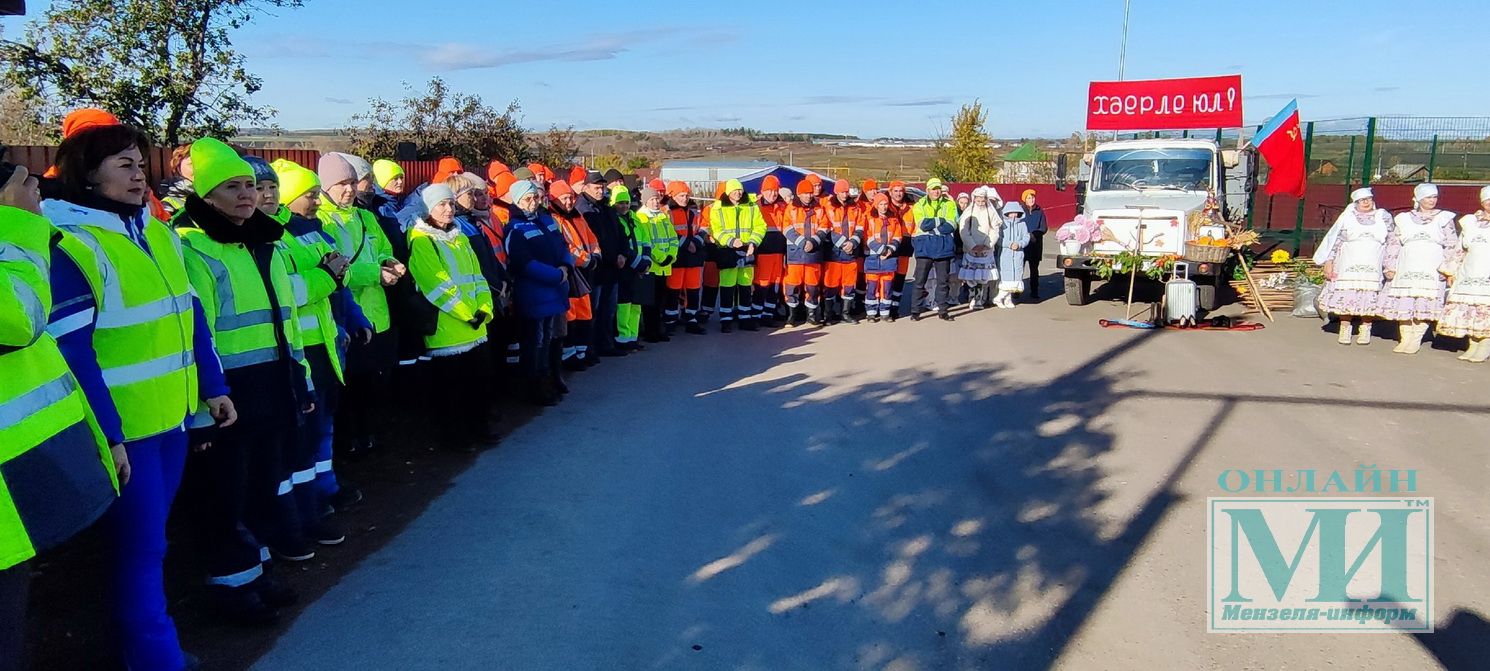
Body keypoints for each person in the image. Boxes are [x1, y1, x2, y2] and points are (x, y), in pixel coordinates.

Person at [46, 124, 234, 670]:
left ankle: (142, 647)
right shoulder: (70, 242)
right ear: (87, 173)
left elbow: (190, 310)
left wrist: (213, 386)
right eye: (123, 165)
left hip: (171, 419)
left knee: (151, 544)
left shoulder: (155, 231)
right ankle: (156, 659)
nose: (138, 174)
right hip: (126, 431)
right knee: (140, 550)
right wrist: (108, 435)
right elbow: (75, 354)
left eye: (139, 162)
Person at [173, 138, 315, 624]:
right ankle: (230, 589)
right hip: (228, 397)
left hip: (274, 387)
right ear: (207, 196)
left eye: (250, 185)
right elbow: (195, 335)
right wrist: (201, 410)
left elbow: (289, 322)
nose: (246, 195)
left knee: (260, 488)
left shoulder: (267, 243)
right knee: (222, 498)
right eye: (231, 187)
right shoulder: (193, 248)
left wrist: (303, 381)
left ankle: (256, 573)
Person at [0, 167, 121, 671]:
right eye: (25, 183)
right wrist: (16, 224)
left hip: (28, 477)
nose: (37, 192)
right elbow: (20, 319)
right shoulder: (21, 235)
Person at [267, 158, 370, 535]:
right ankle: (303, 511)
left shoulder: (315, 232)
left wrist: (353, 318)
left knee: (323, 429)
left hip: (326, 345)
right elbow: (294, 290)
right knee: (304, 436)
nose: (316, 200)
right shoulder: (279, 239)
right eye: (309, 194)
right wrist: (326, 276)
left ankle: (324, 491)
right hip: (302, 351)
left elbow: (338, 284)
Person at [317, 152, 404, 465]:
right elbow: (332, 269)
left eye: (353, 182)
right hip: (345, 316)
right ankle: (348, 442)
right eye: (342, 183)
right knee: (349, 385)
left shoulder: (366, 217)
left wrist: (389, 262)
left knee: (371, 381)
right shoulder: (322, 221)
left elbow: (382, 248)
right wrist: (374, 274)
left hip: (376, 312)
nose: (349, 190)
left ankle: (368, 434)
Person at [406, 184, 498, 445]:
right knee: (452, 390)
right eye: (441, 205)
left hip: (475, 327)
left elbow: (478, 278)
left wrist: (485, 309)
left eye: (450, 203)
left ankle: (479, 429)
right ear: (428, 209)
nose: (448, 209)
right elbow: (437, 288)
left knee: (478, 385)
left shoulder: (461, 238)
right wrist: (468, 314)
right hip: (448, 331)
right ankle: (456, 437)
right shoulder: (422, 241)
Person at [503, 180, 575, 405]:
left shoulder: (546, 220)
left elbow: (563, 247)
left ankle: (549, 379)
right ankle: (534, 387)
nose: (532, 202)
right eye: (527, 199)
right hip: (534, 293)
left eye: (535, 197)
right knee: (534, 342)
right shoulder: (515, 228)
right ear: (516, 201)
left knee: (549, 339)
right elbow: (523, 263)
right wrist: (556, 275)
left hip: (555, 291)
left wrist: (565, 266)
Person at [1381, 183, 1457, 354]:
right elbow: (1394, 243)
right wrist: (1390, 266)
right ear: (1419, 199)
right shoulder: (1403, 219)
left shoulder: (1444, 218)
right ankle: (1405, 338)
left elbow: (1452, 245)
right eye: (1428, 197)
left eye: (1434, 197)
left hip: (1432, 267)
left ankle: (1416, 339)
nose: (1432, 200)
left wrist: (1447, 268)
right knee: (1405, 302)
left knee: (1425, 303)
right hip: (1407, 264)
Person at [1314, 188, 1392, 345]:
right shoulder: (1347, 218)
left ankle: (1365, 328)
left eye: (1368, 199)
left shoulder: (1383, 216)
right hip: (1349, 262)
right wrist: (1329, 262)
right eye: (1362, 200)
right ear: (1355, 203)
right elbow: (1335, 242)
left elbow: (1392, 240)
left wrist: (1390, 264)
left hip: (1373, 262)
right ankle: (1345, 328)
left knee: (1369, 296)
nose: (1366, 202)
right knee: (1348, 295)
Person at [576, 171, 628, 357]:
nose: (601, 191)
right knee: (594, 310)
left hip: (613, 267)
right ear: (586, 187)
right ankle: (590, 348)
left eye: (602, 187)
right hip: (596, 269)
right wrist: (611, 257)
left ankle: (605, 344)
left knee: (608, 309)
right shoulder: (583, 209)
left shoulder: (606, 206)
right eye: (597, 188)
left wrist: (622, 253)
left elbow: (619, 232)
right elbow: (595, 240)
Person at [550, 180, 600, 368]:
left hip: (585, 272)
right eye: (564, 199)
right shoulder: (555, 219)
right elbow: (567, 247)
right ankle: (570, 356)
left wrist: (596, 255)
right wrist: (587, 260)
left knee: (585, 313)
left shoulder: (577, 216)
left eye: (570, 197)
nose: (569, 202)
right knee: (571, 315)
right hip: (571, 272)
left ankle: (583, 353)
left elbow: (592, 238)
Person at [706, 179, 766, 332]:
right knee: (727, 285)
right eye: (734, 190)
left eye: (739, 190)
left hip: (748, 249)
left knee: (745, 285)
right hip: (727, 250)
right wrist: (731, 241)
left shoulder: (751, 205)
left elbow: (760, 226)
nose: (738, 193)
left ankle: (744, 317)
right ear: (728, 192)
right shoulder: (718, 208)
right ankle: (726, 319)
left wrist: (753, 242)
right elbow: (716, 229)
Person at [1441, 186, 1490, 362]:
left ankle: (1485, 344)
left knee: (1485, 309)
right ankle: (1473, 344)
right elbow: (1460, 249)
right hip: (1470, 271)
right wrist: (1450, 271)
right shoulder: (1470, 222)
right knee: (1472, 310)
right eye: (1487, 201)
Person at [909, 178, 959, 321]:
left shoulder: (949, 204)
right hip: (924, 246)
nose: (936, 191)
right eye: (933, 189)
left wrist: (934, 225)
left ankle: (943, 311)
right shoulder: (919, 205)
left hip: (943, 246)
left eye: (938, 188)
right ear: (927, 190)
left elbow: (951, 225)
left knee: (943, 281)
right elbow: (923, 225)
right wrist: (940, 220)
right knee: (920, 281)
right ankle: (915, 311)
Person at [783, 180, 828, 326]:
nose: (808, 196)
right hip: (795, 253)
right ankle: (791, 316)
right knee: (792, 285)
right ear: (798, 194)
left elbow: (824, 227)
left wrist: (813, 242)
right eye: (805, 193)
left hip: (813, 254)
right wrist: (803, 242)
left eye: (810, 193)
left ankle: (811, 315)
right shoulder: (791, 208)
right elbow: (787, 229)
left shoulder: (820, 208)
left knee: (812, 286)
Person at [635, 187, 678, 343]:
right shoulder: (641, 217)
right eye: (652, 199)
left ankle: (658, 330)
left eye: (656, 199)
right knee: (650, 303)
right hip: (652, 266)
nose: (655, 202)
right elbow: (647, 241)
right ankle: (651, 331)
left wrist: (671, 256)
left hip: (665, 266)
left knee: (660, 301)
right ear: (645, 201)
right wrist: (661, 257)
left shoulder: (662, 216)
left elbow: (673, 238)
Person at [611, 185, 650, 349]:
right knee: (624, 305)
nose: (624, 206)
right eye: (620, 203)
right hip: (626, 268)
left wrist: (647, 262)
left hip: (640, 267)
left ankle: (633, 337)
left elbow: (646, 241)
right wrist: (639, 265)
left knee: (636, 304)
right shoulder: (614, 219)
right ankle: (623, 338)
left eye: (626, 202)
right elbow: (622, 246)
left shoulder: (635, 218)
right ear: (614, 203)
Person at [666, 181, 708, 335]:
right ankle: (670, 321)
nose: (685, 198)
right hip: (677, 258)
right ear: (672, 196)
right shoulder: (668, 212)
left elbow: (703, 228)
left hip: (694, 257)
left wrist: (696, 242)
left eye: (687, 195)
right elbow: (668, 233)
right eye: (681, 196)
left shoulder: (694, 212)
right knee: (673, 291)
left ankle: (692, 319)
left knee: (693, 290)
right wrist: (686, 243)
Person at [822, 179, 864, 324]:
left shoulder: (856, 207)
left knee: (849, 285)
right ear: (836, 191)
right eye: (842, 192)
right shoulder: (828, 207)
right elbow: (826, 228)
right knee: (830, 285)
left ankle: (845, 313)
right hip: (833, 253)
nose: (844, 194)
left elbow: (860, 227)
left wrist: (852, 242)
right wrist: (842, 243)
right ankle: (828, 314)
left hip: (851, 253)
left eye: (846, 192)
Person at [863, 192, 905, 322]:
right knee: (872, 288)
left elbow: (898, 236)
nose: (884, 207)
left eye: (885, 204)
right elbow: (867, 237)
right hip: (873, 258)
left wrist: (889, 250)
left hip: (889, 259)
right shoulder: (869, 219)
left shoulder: (893, 220)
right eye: (881, 204)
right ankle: (871, 313)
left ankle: (885, 313)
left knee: (887, 288)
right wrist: (882, 250)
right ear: (876, 205)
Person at [753, 175, 788, 326]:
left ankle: (768, 315)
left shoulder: (783, 206)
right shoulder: (755, 207)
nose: (773, 194)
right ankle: (755, 316)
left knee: (775, 284)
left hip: (779, 253)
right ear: (762, 191)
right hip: (763, 252)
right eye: (769, 190)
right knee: (762, 285)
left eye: (775, 190)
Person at [957, 186, 1000, 309]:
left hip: (986, 250)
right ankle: (972, 298)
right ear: (974, 199)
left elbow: (995, 228)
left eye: (983, 200)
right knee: (971, 278)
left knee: (983, 277)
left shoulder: (990, 211)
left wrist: (987, 244)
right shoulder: (969, 211)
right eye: (978, 200)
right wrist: (973, 246)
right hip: (972, 250)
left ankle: (979, 299)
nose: (980, 203)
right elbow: (963, 230)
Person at [885, 180, 915, 319]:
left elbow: (915, 227)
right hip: (889, 245)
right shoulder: (886, 206)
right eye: (895, 191)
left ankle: (895, 307)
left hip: (905, 245)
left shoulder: (911, 207)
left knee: (900, 278)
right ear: (890, 192)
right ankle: (885, 306)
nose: (898, 194)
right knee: (888, 278)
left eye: (901, 191)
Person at [994, 201, 1032, 309]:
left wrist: (1019, 244)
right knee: (1006, 278)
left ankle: (1008, 299)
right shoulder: (1002, 224)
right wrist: (1009, 244)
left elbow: (1026, 237)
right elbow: (998, 239)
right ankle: (999, 298)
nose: (1014, 215)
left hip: (1018, 255)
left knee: (1015, 278)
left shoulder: (1022, 224)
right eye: (1011, 213)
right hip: (1005, 254)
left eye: (1016, 212)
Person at [1021, 189, 1047, 301]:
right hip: (1022, 245)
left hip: (1035, 244)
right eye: (1029, 198)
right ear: (1024, 199)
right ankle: (1016, 291)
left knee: (1034, 270)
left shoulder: (1040, 211)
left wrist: (1035, 234)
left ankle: (1034, 291)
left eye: (1032, 198)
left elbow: (1044, 227)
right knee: (1019, 269)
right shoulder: (1021, 211)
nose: (1031, 200)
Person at [157, 144, 196, 216]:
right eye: (192, 164)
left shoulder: (215, 195)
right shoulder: (169, 203)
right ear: (178, 166)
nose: (197, 169)